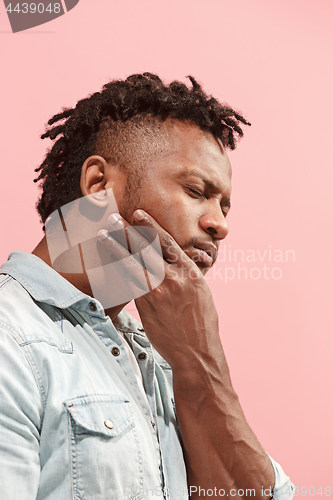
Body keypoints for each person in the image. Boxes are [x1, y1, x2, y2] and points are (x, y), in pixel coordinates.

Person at [0, 73, 294, 499]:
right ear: (98, 185)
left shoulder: (166, 360)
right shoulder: (11, 336)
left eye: (224, 205)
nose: (220, 225)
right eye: (196, 191)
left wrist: (200, 364)